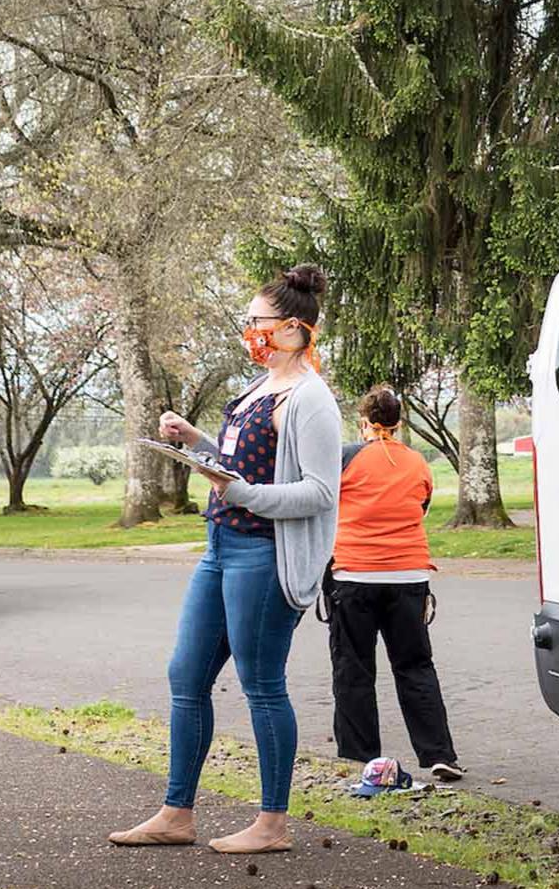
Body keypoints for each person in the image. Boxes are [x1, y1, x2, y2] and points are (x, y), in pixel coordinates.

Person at [110, 265, 341, 855]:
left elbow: (318, 492)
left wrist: (239, 493)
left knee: (262, 685)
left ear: (292, 329)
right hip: (219, 548)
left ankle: (272, 824)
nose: (248, 331)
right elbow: (244, 465)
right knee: (185, 676)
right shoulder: (259, 388)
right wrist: (196, 443)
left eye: (256, 321)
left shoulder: (310, 398)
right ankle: (176, 813)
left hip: (263, 556)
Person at [326, 384, 464, 782]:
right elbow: (420, 506)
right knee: (415, 665)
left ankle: (359, 756)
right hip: (408, 576)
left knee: (353, 667)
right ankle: (439, 754)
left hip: (355, 574)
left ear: (364, 423)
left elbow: (326, 506)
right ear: (398, 423)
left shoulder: (345, 459)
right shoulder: (418, 463)